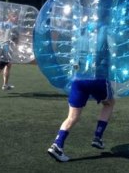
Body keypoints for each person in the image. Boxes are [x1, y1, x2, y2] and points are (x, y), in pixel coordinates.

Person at [47, 13, 115, 162]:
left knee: (72, 117)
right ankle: (97, 136)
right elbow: (115, 49)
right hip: (98, 77)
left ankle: (57, 145)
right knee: (109, 103)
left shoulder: (81, 31)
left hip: (78, 79)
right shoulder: (106, 29)